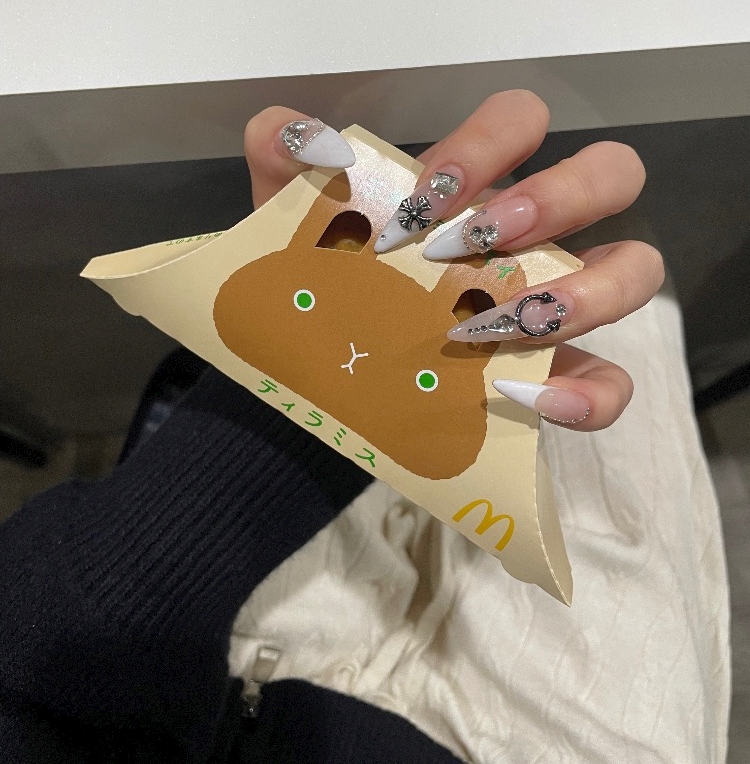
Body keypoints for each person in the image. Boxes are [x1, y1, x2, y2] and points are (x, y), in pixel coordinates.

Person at [0, 92, 729, 763]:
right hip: (520, 736)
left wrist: (317, 356)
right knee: (614, 294)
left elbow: (52, 655)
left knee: (553, 249)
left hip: (187, 655)